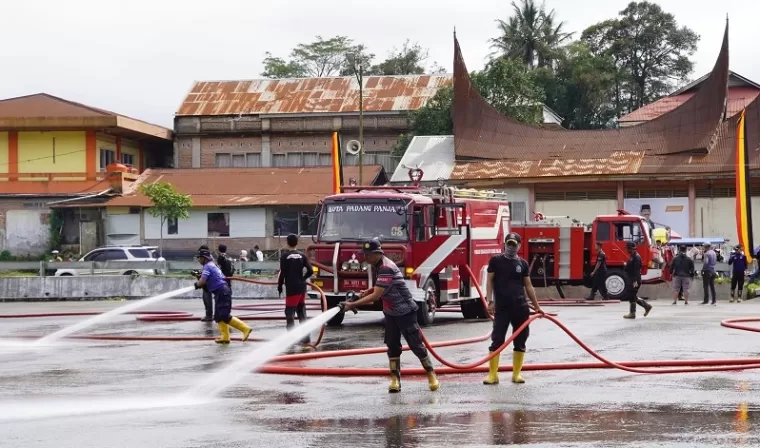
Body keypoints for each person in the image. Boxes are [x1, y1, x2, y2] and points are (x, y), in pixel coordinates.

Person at [343, 238, 440, 393]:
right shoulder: (378, 265)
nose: (364, 257)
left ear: (377, 254)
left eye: (367, 255)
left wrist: (352, 305)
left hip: (405, 311)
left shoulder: (386, 267)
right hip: (390, 312)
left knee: (416, 345)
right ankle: (395, 379)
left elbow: (376, 296)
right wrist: (367, 291)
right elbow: (379, 288)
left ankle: (431, 374)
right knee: (392, 346)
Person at [483, 232, 544, 386]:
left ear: (519, 246)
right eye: (508, 244)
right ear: (505, 244)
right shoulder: (496, 261)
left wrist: (537, 307)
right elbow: (489, 281)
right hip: (502, 308)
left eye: (514, 244)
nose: (511, 247)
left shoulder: (522, 264)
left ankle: (516, 374)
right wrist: (489, 301)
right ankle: (492, 375)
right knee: (497, 340)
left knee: (520, 340)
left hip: (521, 308)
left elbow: (528, 286)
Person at [193, 247, 252, 343]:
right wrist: (199, 277)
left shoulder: (207, 266)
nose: (199, 260)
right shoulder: (212, 265)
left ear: (204, 258)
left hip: (222, 292)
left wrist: (197, 284)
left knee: (224, 315)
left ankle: (245, 328)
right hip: (221, 292)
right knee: (218, 316)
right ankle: (225, 337)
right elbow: (207, 282)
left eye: (200, 257)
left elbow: (202, 281)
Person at [277, 234, 314, 349]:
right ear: (297, 242)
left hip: (291, 288)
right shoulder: (302, 255)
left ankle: (291, 339)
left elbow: (282, 273)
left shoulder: (284, 256)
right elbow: (311, 271)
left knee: (289, 313)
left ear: (287, 242)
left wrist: (279, 286)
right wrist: (303, 278)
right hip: (301, 287)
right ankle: (306, 338)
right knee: (301, 311)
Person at [623, 242, 653, 319]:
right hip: (633, 279)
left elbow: (636, 270)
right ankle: (647, 306)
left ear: (631, 248)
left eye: (627, 248)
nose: (626, 250)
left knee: (631, 295)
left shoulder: (636, 257)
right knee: (632, 295)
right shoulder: (633, 256)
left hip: (635, 280)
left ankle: (633, 313)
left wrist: (635, 281)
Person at [196, 244, 214, 322]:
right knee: (205, 298)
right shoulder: (208, 260)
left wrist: (199, 283)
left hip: (209, 283)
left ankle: (209, 315)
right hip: (208, 282)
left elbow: (207, 273)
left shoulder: (208, 262)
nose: (199, 258)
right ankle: (209, 315)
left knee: (207, 298)